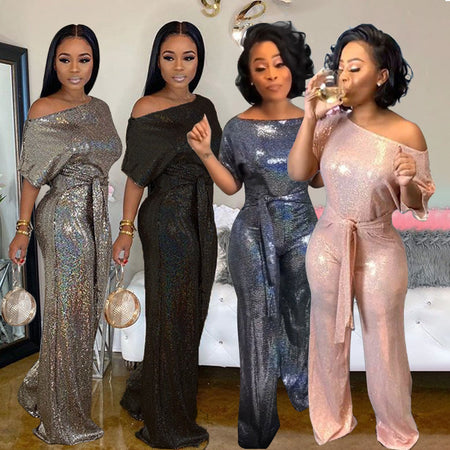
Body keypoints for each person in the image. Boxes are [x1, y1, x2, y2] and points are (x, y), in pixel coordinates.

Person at [288, 24, 435, 449]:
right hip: (328, 242)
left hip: (379, 247)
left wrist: (407, 181)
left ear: (382, 76)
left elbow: (415, 203)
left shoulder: (407, 133)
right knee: (326, 337)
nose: (345, 76)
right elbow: (301, 173)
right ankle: (332, 421)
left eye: (356, 68)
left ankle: (397, 429)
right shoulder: (330, 122)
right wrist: (310, 116)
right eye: (340, 68)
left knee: (385, 345)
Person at [188, 21, 318, 449]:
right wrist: (205, 153)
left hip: (302, 227)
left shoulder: (311, 120)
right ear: (250, 75)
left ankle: (302, 388)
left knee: (300, 316)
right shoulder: (238, 127)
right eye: (260, 67)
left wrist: (326, 129)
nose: (271, 74)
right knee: (256, 326)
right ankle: (256, 430)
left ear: (293, 67)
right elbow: (231, 186)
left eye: (279, 64)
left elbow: (317, 180)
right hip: (253, 230)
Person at [8, 24, 122, 444]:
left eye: (84, 59)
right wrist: (22, 229)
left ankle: (40, 391)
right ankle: (60, 419)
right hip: (63, 217)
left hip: (96, 215)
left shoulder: (101, 108)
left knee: (85, 315)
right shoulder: (43, 108)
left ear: (94, 63)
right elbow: (31, 177)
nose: (75, 68)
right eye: (65, 59)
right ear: (54, 63)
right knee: (67, 316)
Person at [112, 21, 221, 449]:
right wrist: (125, 230)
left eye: (187, 57)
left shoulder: (206, 106)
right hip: (166, 219)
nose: (178, 66)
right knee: (171, 317)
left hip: (200, 217)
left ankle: (155, 396)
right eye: (169, 57)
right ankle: (167, 422)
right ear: (157, 61)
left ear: (198, 61)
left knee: (191, 315)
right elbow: (136, 176)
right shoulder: (146, 107)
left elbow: (215, 164)